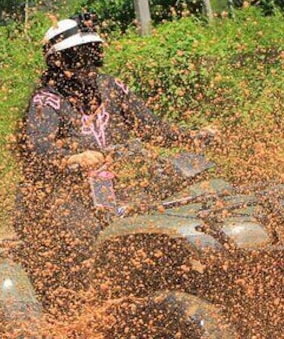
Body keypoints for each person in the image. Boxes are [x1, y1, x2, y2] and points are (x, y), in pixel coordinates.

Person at [14, 16, 214, 311]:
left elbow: (151, 128)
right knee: (91, 239)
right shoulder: (46, 100)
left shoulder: (112, 87)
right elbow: (37, 146)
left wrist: (193, 137)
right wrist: (71, 158)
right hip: (60, 195)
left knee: (170, 212)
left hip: (114, 187)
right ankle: (90, 315)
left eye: (91, 53)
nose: (86, 62)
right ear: (57, 61)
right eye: (76, 56)